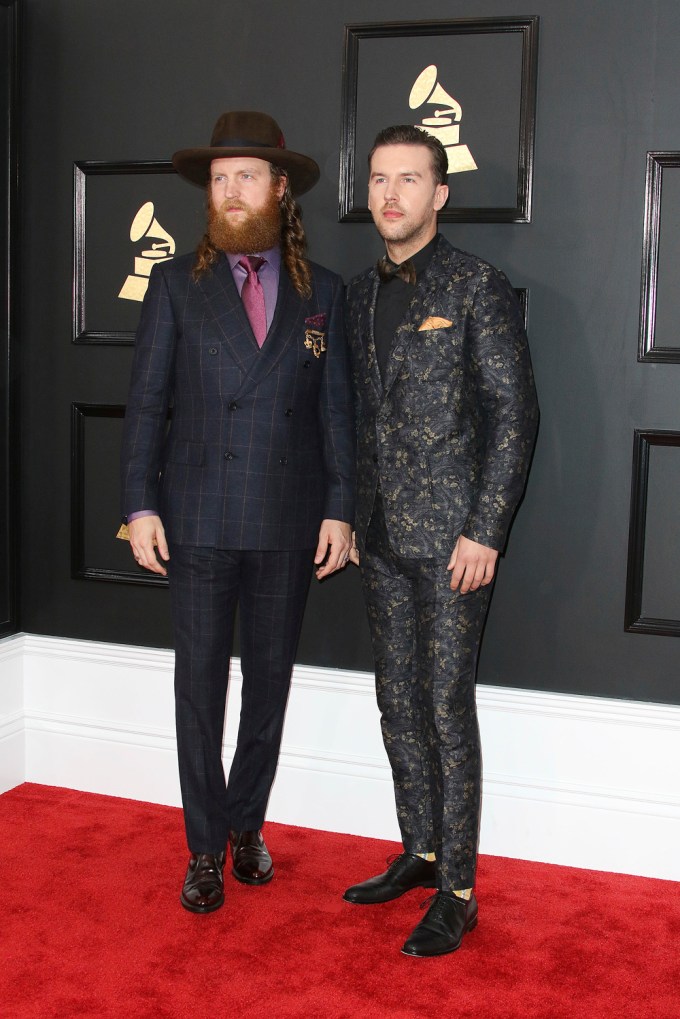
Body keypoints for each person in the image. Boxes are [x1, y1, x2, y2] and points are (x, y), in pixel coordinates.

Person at [120, 110, 355, 914]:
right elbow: (146, 404)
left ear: (279, 188)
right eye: (220, 179)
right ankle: (202, 845)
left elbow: (336, 414)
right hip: (196, 515)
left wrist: (340, 507)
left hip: (288, 517)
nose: (229, 190)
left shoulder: (323, 291)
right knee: (198, 688)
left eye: (246, 176)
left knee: (269, 683)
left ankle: (246, 824)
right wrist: (139, 503)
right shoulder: (174, 285)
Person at [343, 125, 538, 957]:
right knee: (397, 701)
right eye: (379, 179)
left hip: (455, 543)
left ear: (440, 193)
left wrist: (486, 530)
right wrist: (352, 513)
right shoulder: (358, 294)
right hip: (381, 538)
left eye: (409, 179)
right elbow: (360, 414)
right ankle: (419, 849)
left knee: (445, 709)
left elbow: (514, 414)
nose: (391, 195)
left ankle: (458, 889)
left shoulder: (476, 286)